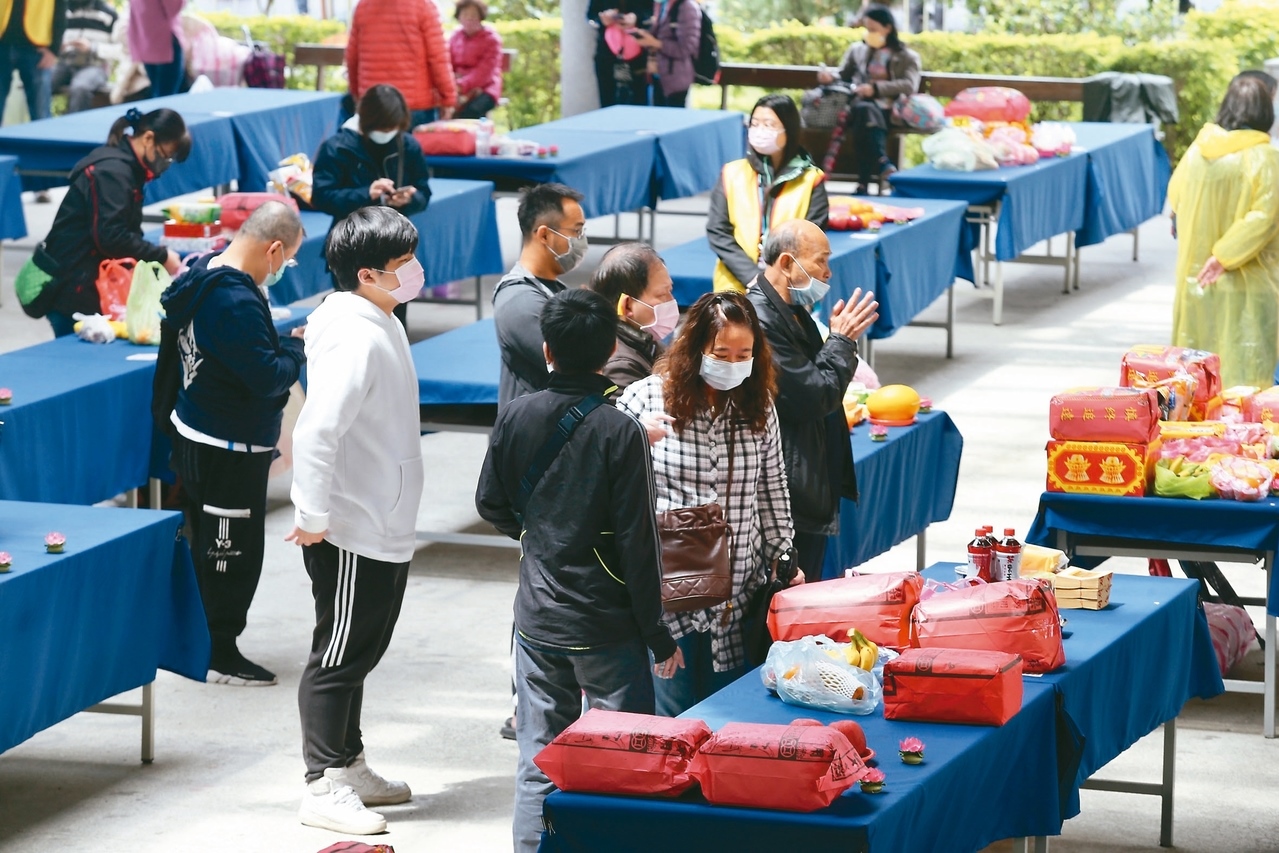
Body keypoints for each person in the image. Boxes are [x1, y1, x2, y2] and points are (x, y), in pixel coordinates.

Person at [475, 288, 682, 853]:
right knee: (622, 761)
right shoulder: (621, 430)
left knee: (537, 760)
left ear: (547, 351)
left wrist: (537, 535)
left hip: (537, 619)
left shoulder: (515, 414)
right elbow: (640, 544)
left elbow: (490, 502)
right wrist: (657, 634)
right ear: (610, 348)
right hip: (607, 624)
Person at [287, 207, 425, 836]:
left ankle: (349, 762)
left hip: (383, 517)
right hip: (351, 525)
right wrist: (313, 513)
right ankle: (321, 783)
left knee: (361, 651)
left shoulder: (380, 317)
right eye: (403, 266)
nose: (416, 273)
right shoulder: (355, 332)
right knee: (338, 656)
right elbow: (316, 429)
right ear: (366, 274)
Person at [618, 291, 799, 716]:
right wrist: (630, 437)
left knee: (732, 716)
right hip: (669, 596)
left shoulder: (759, 406)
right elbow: (606, 481)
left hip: (738, 595)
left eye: (744, 353)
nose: (733, 363)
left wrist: (784, 551)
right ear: (695, 346)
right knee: (676, 718)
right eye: (721, 352)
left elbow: (772, 487)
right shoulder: (646, 399)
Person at [159, 201, 306, 686]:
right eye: (288, 260)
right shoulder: (236, 301)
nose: (283, 269)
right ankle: (219, 650)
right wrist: (295, 347)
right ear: (275, 248)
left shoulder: (204, 271)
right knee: (230, 553)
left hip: (198, 430)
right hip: (227, 446)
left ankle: (203, 640)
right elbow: (267, 378)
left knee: (211, 545)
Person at [746, 220, 879, 575]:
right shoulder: (760, 320)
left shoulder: (790, 310)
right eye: (821, 260)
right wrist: (842, 341)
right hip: (786, 491)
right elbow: (815, 395)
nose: (828, 272)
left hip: (805, 475)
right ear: (788, 264)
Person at [20, 107, 186, 336]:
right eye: (164, 155)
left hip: (87, 282)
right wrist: (161, 256)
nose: (165, 163)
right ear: (148, 138)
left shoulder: (127, 168)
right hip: (73, 287)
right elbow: (112, 236)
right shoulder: (113, 173)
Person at [1168, 73, 1279, 389]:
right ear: (1265, 115)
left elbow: (1175, 198)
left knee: (1197, 378)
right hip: (1250, 286)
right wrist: (1223, 257)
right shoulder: (1266, 158)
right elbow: (1264, 217)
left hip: (1196, 284)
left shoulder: (1196, 153)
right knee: (1247, 378)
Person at [311, 84, 432, 327]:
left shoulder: (407, 146)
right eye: (382, 128)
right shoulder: (338, 147)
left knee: (395, 318)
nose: (386, 132)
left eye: (392, 128)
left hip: (395, 246)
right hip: (351, 245)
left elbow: (424, 191)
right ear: (366, 121)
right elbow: (322, 196)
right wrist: (365, 194)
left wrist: (409, 199)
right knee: (356, 318)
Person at [707, 93, 828, 294]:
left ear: (788, 129)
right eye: (755, 124)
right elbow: (718, 232)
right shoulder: (732, 173)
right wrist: (752, 277)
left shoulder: (811, 179)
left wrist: (775, 281)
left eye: (769, 124)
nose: (760, 130)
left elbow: (812, 239)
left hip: (790, 289)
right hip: (734, 289)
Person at [493, 182, 587, 410]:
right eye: (576, 231)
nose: (582, 240)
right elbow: (579, 366)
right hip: (537, 435)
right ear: (544, 234)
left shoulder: (556, 289)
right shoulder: (521, 301)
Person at [817, 5, 921, 189]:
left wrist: (876, 89)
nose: (868, 33)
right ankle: (882, 165)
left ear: (887, 28)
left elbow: (909, 84)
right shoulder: (857, 50)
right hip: (860, 105)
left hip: (890, 109)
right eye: (866, 29)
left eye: (873, 29)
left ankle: (864, 182)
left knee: (864, 116)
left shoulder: (906, 56)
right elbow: (844, 74)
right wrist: (829, 76)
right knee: (864, 113)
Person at [345, 0, 457, 128]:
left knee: (374, 148)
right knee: (414, 147)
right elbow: (438, 58)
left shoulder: (363, 6)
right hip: (414, 105)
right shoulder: (423, 6)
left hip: (373, 102)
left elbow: (352, 57)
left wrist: (356, 93)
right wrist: (448, 98)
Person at [588, 241, 678, 398]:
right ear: (627, 306)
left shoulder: (644, 341)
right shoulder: (619, 365)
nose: (671, 301)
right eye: (662, 295)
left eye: (670, 291)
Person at [50, 0, 121, 113]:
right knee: (43, 82)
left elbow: (120, 50)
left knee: (80, 88)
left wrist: (93, 48)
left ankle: (74, 127)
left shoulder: (109, 14)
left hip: (95, 66)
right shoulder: (64, 12)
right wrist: (58, 46)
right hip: (65, 63)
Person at [0, 0, 62, 122]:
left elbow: (60, 9)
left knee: (40, 113)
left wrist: (54, 50)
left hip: (37, 48)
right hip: (3, 44)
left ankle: (42, 141)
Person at [631, 0, 699, 107]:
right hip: (659, 76)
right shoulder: (663, 6)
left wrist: (655, 43)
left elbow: (686, 48)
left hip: (676, 79)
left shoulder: (687, 7)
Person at [587, 0, 648, 107]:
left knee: (639, 102)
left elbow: (653, 13)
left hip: (638, 55)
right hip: (606, 55)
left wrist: (636, 17)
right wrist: (602, 20)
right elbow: (590, 17)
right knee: (607, 103)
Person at [448, 0, 502, 120]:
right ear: (459, 17)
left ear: (481, 17)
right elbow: (448, 63)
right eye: (465, 15)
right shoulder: (455, 37)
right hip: (457, 86)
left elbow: (484, 72)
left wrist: (462, 86)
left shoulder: (492, 39)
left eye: (473, 15)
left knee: (471, 111)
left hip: (485, 87)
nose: (469, 19)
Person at [128, 0, 183, 97]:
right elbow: (174, 8)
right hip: (165, 43)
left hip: (146, 43)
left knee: (158, 94)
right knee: (166, 97)